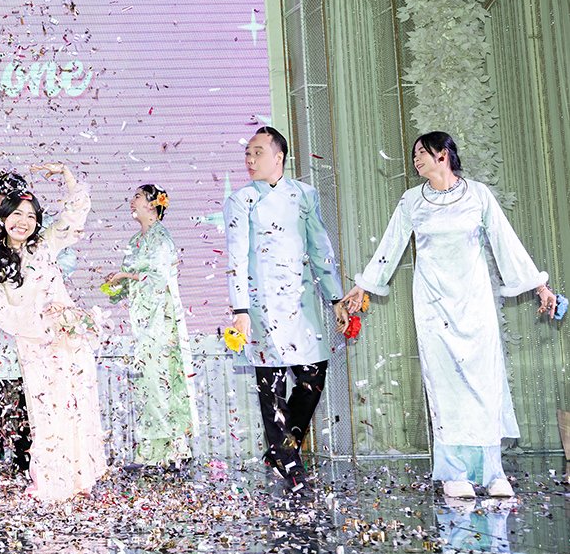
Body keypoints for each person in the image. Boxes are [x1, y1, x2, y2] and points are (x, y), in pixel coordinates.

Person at [343, 132, 557, 500]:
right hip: (433, 305)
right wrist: (363, 286)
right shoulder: (412, 200)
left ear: (443, 155)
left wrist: (540, 287)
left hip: (475, 302)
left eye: (421, 153)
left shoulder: (478, 195)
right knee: (445, 387)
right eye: (414, 154)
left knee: (483, 383)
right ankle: (454, 472)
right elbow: (390, 246)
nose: (416, 160)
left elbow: (506, 243)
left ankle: (492, 471)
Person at [224, 126, 347, 490]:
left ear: (279, 157)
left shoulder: (304, 195)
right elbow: (235, 257)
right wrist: (240, 309)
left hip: (300, 301)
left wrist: (336, 297)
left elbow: (320, 247)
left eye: (258, 152)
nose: (250, 159)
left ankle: (281, 446)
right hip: (260, 303)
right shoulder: (241, 200)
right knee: (272, 382)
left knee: (313, 374)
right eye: (248, 153)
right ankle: (287, 460)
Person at [0, 163, 105, 502]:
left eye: (31, 216)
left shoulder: (45, 245)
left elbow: (76, 213)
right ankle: (52, 480)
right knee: (46, 413)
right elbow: (2, 312)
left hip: (69, 339)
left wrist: (66, 174)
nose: (23, 222)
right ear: (3, 217)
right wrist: (40, 325)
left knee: (75, 406)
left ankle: (80, 479)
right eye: (16, 214)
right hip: (35, 344)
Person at [104, 184, 198, 467]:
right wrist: (116, 283)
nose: (131, 201)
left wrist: (126, 276)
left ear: (152, 204)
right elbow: (133, 278)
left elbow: (159, 279)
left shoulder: (161, 238)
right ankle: (154, 451)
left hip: (162, 320)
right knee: (148, 382)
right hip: (142, 321)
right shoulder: (136, 240)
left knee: (162, 379)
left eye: (137, 196)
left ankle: (171, 450)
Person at [0, 169, 33, 478]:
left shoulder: (34, 234)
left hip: (28, 330)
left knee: (26, 396)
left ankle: (24, 458)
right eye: (4, 198)